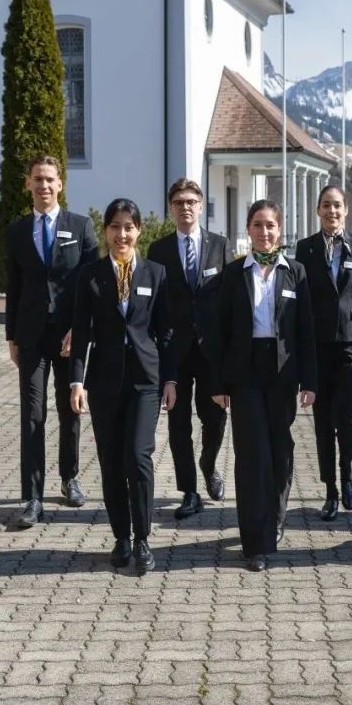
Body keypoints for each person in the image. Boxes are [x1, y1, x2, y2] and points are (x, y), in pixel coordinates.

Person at [69, 198, 176, 575]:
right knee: (112, 461)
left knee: (138, 456)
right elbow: (81, 332)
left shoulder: (156, 274)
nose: (122, 234)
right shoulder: (90, 275)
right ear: (106, 231)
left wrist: (170, 379)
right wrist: (77, 381)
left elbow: (166, 333)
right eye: (115, 226)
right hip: (104, 382)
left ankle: (143, 538)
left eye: (128, 227)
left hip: (145, 381)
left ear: (139, 231)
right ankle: (121, 537)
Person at [209, 200, 317, 572]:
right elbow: (219, 330)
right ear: (248, 229)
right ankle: (254, 541)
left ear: (279, 228)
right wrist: (218, 382)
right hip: (245, 371)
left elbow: (306, 330)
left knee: (280, 450)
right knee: (252, 453)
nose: (264, 231)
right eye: (257, 224)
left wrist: (310, 381)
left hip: (283, 371)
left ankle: (276, 515)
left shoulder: (295, 272)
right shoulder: (235, 273)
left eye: (270, 225)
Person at [4, 155, 99, 528]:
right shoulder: (16, 231)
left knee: (69, 409)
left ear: (60, 184)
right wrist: (11, 336)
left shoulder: (81, 226)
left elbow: (91, 283)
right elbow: (13, 287)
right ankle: (32, 496)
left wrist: (82, 327)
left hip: (69, 335)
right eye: (37, 179)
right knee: (32, 415)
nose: (44, 185)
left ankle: (69, 477)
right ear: (28, 183)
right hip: (31, 337)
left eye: (50, 179)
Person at [147, 178, 235, 519]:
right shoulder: (159, 251)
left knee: (215, 420)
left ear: (200, 206)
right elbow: (155, 305)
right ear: (171, 208)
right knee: (178, 425)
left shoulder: (220, 246)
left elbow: (229, 302)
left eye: (191, 202)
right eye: (178, 202)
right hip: (175, 352)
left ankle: (208, 464)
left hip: (212, 353)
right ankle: (190, 491)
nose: (185, 207)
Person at [295, 185, 352, 520]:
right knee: (323, 421)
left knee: (345, 416)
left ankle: (347, 473)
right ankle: (330, 490)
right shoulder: (306, 248)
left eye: (337, 205)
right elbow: (300, 300)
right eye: (326, 205)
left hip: (350, 346)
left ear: (346, 210)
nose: (332, 211)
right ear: (318, 210)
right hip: (317, 347)